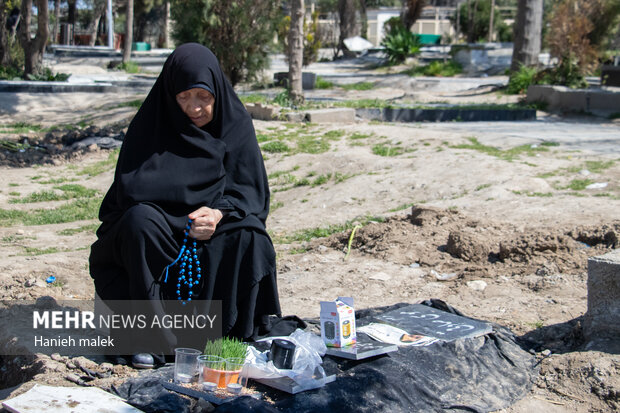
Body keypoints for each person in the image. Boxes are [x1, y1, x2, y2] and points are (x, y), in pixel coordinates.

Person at [89, 43, 281, 368]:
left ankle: (230, 332)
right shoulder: (150, 127)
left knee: (252, 236)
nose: (194, 108)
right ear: (170, 95)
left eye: (203, 97)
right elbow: (130, 192)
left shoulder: (235, 126)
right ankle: (149, 338)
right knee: (138, 223)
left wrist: (218, 213)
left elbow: (250, 193)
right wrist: (180, 222)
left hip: (210, 231)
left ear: (217, 92)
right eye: (183, 97)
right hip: (161, 234)